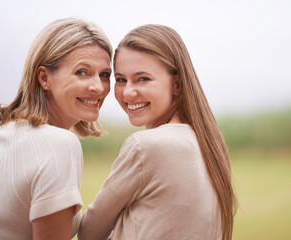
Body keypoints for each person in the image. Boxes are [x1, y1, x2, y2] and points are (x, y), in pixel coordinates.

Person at [78, 24, 237, 240]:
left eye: (143, 79)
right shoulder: (208, 143)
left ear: (177, 84)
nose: (128, 92)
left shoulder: (145, 146)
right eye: (121, 80)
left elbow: (89, 233)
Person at [0, 17, 112, 240]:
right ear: (44, 77)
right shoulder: (59, 143)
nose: (98, 87)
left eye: (105, 75)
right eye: (82, 72)